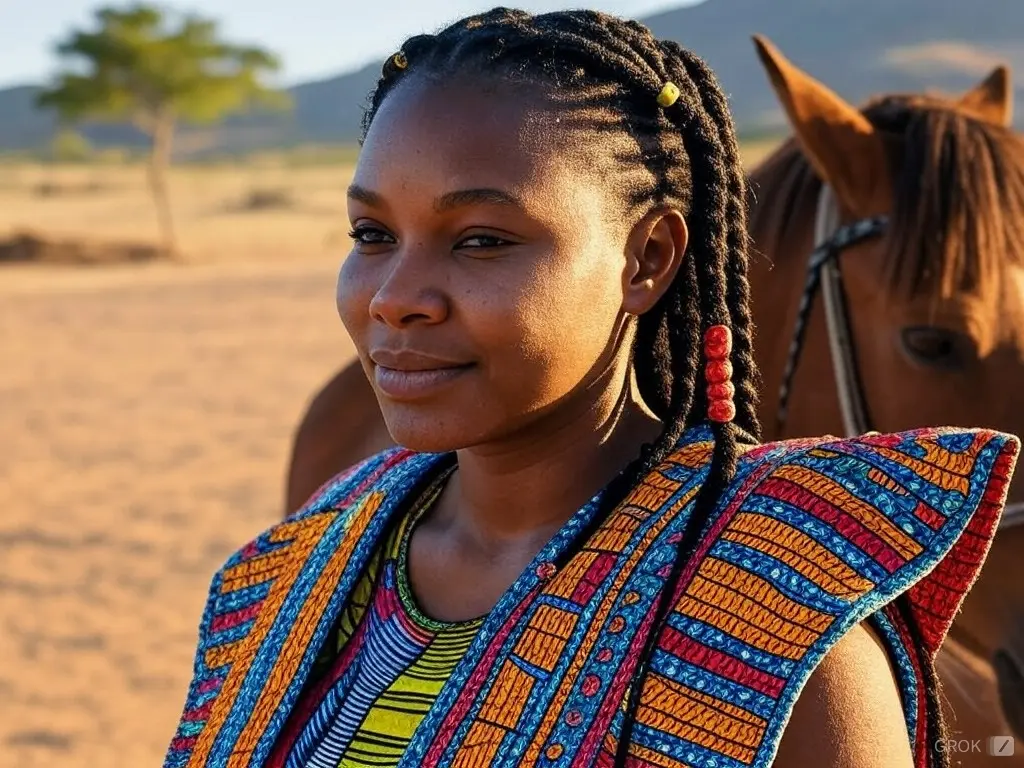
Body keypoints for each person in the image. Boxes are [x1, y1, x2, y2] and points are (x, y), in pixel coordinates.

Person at [164, 9, 1019, 768]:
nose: (393, 297)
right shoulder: (291, 568)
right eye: (372, 232)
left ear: (646, 259)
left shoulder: (777, 636)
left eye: (482, 240)